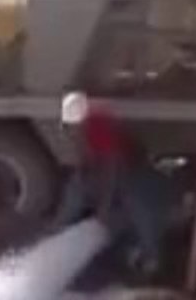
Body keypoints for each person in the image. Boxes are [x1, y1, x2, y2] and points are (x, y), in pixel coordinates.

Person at [54, 91, 175, 279]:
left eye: (76, 124)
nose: (73, 128)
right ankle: (57, 235)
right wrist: (84, 173)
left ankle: (152, 258)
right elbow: (83, 154)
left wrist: (104, 204)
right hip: (101, 166)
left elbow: (113, 168)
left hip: (130, 168)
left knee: (138, 208)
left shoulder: (99, 125)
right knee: (75, 192)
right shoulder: (70, 127)